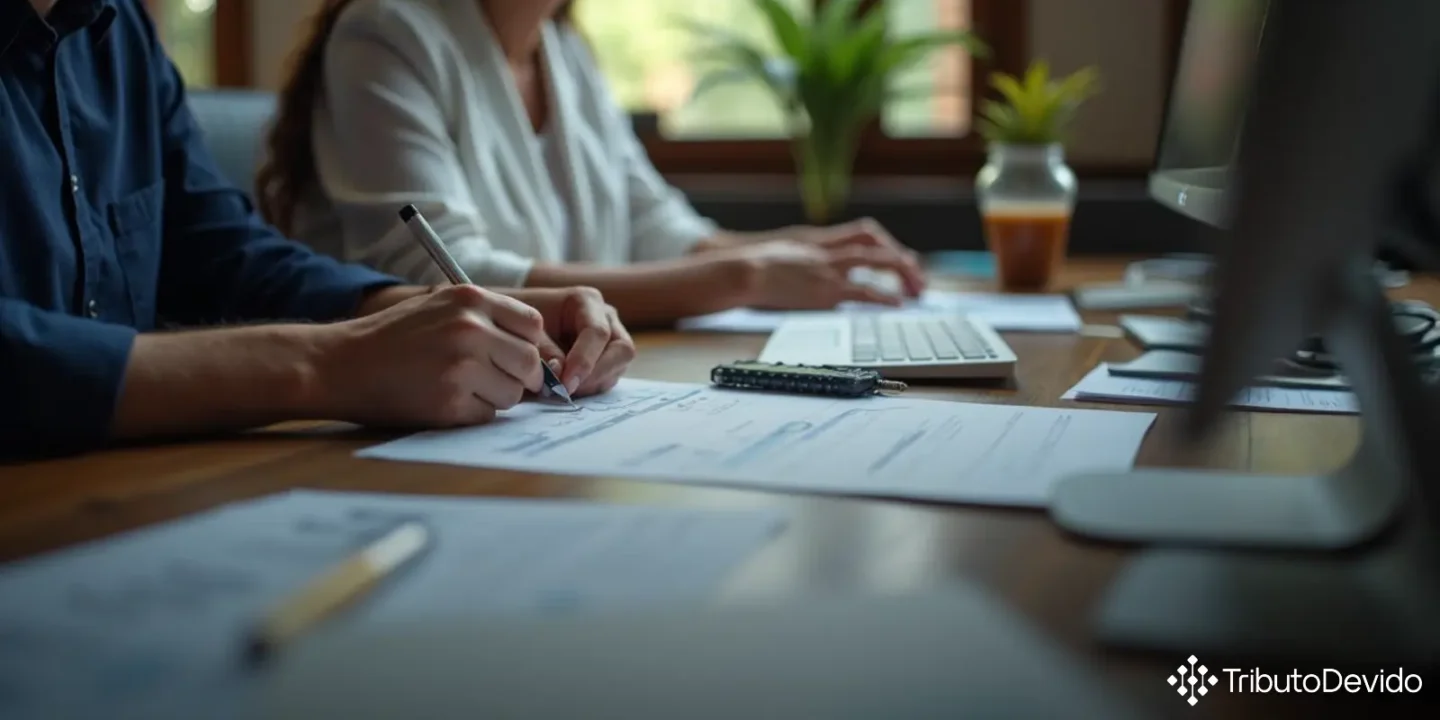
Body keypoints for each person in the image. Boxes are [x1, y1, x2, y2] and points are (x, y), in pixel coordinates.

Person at [0, 0, 635, 460]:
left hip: (130, 494)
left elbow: (222, 252)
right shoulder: (391, 29)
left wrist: (442, 310)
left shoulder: (119, 32)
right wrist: (322, 364)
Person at [257, 0, 930, 327]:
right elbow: (444, 276)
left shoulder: (563, 52)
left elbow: (654, 227)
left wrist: (802, 252)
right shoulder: (387, 34)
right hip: (387, 430)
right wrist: (746, 275)